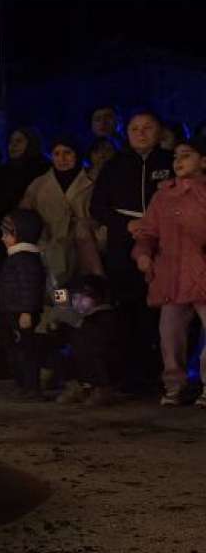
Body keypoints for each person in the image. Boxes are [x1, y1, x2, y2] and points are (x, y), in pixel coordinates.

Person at [89, 111, 174, 393]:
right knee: (127, 309)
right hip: (123, 247)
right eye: (135, 128)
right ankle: (129, 376)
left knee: (162, 311)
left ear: (159, 131)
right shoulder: (115, 165)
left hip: (166, 247)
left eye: (147, 127)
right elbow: (97, 208)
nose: (141, 133)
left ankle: (164, 374)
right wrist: (126, 225)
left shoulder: (170, 162)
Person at [131, 136, 206, 406]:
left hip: (201, 270)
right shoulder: (163, 196)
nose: (178, 161)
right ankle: (175, 385)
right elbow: (148, 232)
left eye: (186, 155)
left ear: (203, 161)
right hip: (172, 274)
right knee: (170, 335)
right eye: (176, 157)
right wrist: (143, 254)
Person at [20, 136, 101, 289]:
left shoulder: (92, 181)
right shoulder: (39, 184)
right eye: (56, 154)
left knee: (87, 287)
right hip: (52, 246)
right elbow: (26, 214)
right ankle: (61, 304)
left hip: (85, 244)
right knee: (59, 289)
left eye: (67, 153)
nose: (62, 159)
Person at [0, 210, 48, 400]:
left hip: (21, 313)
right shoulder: (17, 258)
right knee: (18, 351)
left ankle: (31, 388)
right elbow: (7, 283)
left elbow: (30, 286)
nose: (2, 238)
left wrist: (27, 311)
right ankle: (24, 386)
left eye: (6, 234)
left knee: (26, 352)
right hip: (13, 311)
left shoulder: (24, 259)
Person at [57, 274, 121, 406]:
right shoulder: (74, 315)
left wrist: (81, 324)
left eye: (84, 298)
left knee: (92, 352)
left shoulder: (104, 316)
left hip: (103, 360)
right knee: (63, 351)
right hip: (80, 359)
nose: (79, 302)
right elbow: (59, 294)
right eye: (75, 298)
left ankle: (103, 389)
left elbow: (100, 340)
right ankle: (76, 386)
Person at [0, 127, 49, 218]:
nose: (13, 145)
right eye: (10, 141)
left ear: (31, 144)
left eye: (19, 141)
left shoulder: (44, 171)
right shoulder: (2, 172)